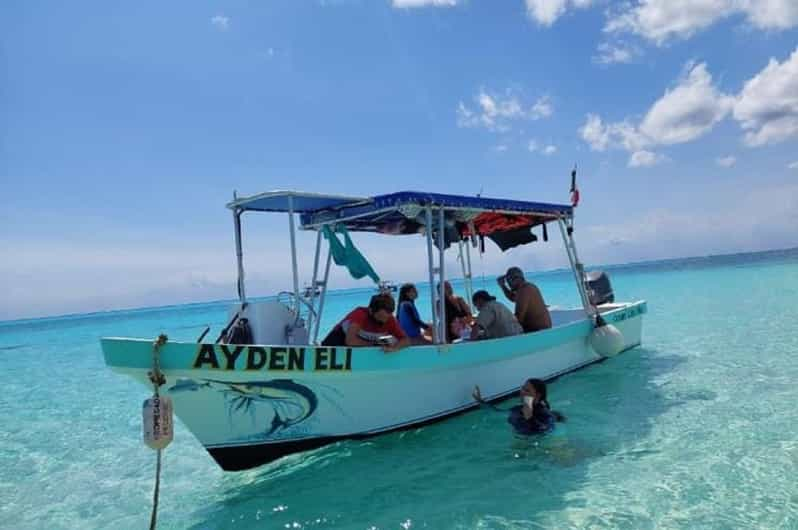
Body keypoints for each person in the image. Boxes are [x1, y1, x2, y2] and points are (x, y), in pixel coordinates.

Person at [472, 378, 565, 436]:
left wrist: (530, 418)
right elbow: (498, 413)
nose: (522, 392)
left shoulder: (545, 414)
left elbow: (547, 431)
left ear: (537, 395)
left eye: (527, 390)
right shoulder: (518, 409)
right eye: (523, 388)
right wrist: (480, 401)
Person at [322, 293, 410, 352]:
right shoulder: (360, 314)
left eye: (386, 317)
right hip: (336, 341)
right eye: (380, 317)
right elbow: (350, 341)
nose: (383, 321)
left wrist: (394, 348)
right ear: (371, 310)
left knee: (390, 341)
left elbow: (405, 340)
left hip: (363, 342)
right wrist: (374, 345)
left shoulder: (390, 319)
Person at [497, 266, 552, 333]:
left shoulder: (524, 290)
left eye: (509, 280)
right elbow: (513, 298)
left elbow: (518, 318)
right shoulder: (528, 286)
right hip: (543, 329)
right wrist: (503, 286)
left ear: (517, 279)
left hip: (538, 332)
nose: (508, 284)